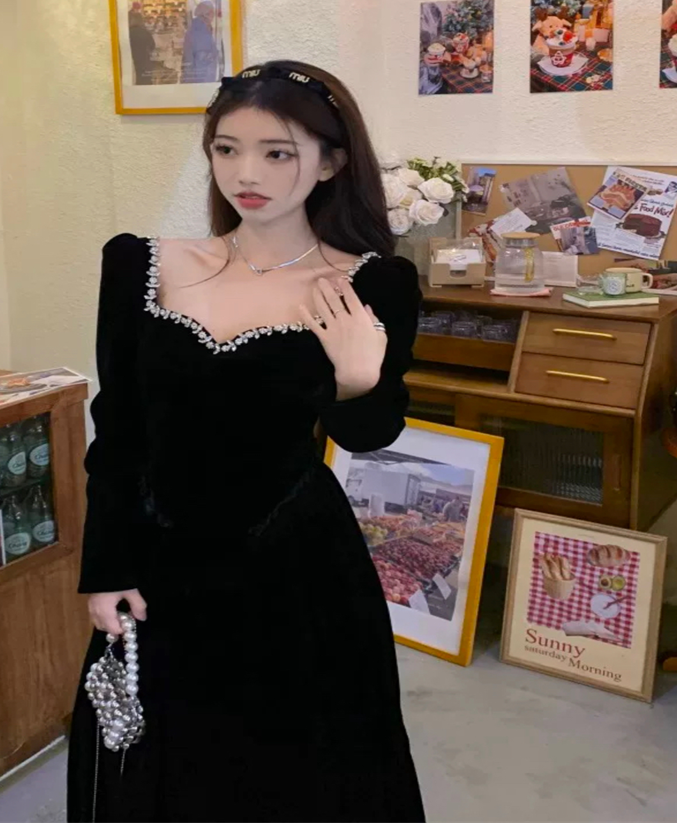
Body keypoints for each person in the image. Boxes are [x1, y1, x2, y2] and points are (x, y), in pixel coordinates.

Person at [67, 60, 426, 822]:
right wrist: (105, 567)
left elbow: (370, 434)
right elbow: (119, 431)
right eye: (226, 149)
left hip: (297, 570)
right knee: (163, 767)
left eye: (277, 152)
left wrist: (358, 379)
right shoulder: (141, 264)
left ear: (330, 162)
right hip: (160, 569)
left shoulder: (371, 284)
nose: (246, 173)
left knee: (296, 775)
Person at [181, 0, 218, 83]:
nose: (213, 16)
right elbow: (201, 55)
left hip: (197, 76)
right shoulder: (200, 29)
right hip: (200, 77)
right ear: (206, 14)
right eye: (212, 13)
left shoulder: (198, 27)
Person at [128, 5, 156, 85]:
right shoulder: (145, 32)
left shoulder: (128, 33)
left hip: (132, 62)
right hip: (144, 61)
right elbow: (152, 46)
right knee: (145, 83)